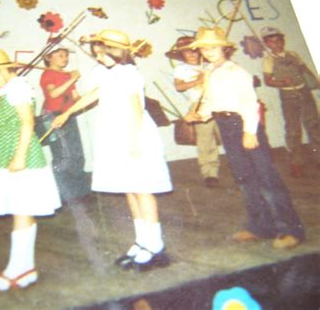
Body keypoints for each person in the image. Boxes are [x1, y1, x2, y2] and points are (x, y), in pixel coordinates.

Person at [53, 29, 173, 271]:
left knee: (143, 189)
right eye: (97, 54)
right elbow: (95, 93)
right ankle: (142, 241)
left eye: (102, 54)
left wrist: (134, 141)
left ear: (117, 53)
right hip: (115, 134)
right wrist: (68, 112)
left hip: (132, 134)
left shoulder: (129, 74)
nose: (98, 59)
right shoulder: (111, 74)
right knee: (129, 189)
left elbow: (137, 109)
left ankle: (156, 246)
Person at [185, 27, 305, 249]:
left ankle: (291, 229)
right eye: (203, 48)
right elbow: (213, 102)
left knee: (266, 178)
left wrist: (250, 131)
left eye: (212, 47)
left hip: (243, 124)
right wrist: (200, 115)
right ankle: (261, 226)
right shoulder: (210, 71)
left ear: (224, 48)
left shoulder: (235, 71)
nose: (207, 52)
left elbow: (249, 102)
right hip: (225, 124)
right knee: (244, 177)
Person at [0, 49, 61, 293]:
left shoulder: (18, 89)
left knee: (22, 209)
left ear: (5, 70)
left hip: (19, 154)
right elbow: (10, 122)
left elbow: (27, 123)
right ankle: (23, 268)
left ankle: (18, 268)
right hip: (4, 151)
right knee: (21, 209)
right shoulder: (9, 90)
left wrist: (18, 157)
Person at [261, 26, 320, 178]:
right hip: (288, 97)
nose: (276, 44)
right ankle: (296, 163)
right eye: (272, 42)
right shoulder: (268, 59)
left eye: (278, 40)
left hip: (304, 92)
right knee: (293, 130)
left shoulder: (293, 55)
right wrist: (281, 82)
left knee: (314, 125)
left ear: (283, 41)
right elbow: (267, 81)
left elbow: (305, 70)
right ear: (267, 44)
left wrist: (316, 81)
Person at [166, 36, 220, 188]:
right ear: (181, 54)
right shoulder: (181, 68)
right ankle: (210, 173)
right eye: (186, 51)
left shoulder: (210, 64)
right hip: (200, 105)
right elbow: (179, 87)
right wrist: (200, 80)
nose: (191, 53)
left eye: (194, 50)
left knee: (228, 135)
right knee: (205, 139)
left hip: (220, 103)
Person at [39, 46, 89, 202]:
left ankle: (81, 193)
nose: (65, 58)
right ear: (49, 57)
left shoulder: (67, 75)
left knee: (77, 153)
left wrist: (87, 99)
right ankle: (64, 194)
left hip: (68, 115)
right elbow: (53, 93)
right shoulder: (47, 74)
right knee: (63, 155)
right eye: (60, 55)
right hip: (53, 116)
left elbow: (75, 96)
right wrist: (72, 79)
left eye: (66, 55)